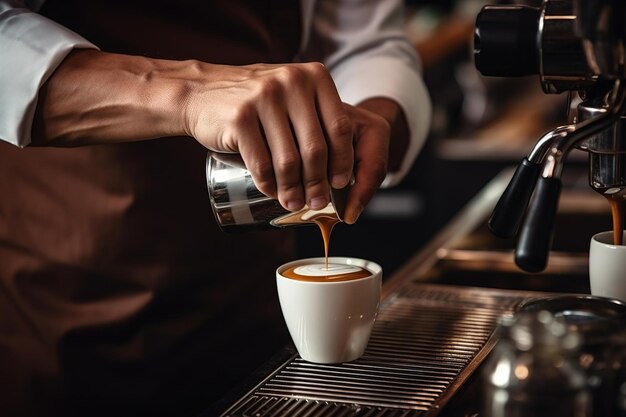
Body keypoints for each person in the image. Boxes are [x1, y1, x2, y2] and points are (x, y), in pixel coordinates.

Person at [0, 1, 431, 416]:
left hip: (249, 294)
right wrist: (185, 91)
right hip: (71, 309)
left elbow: (364, 41)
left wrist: (372, 117)